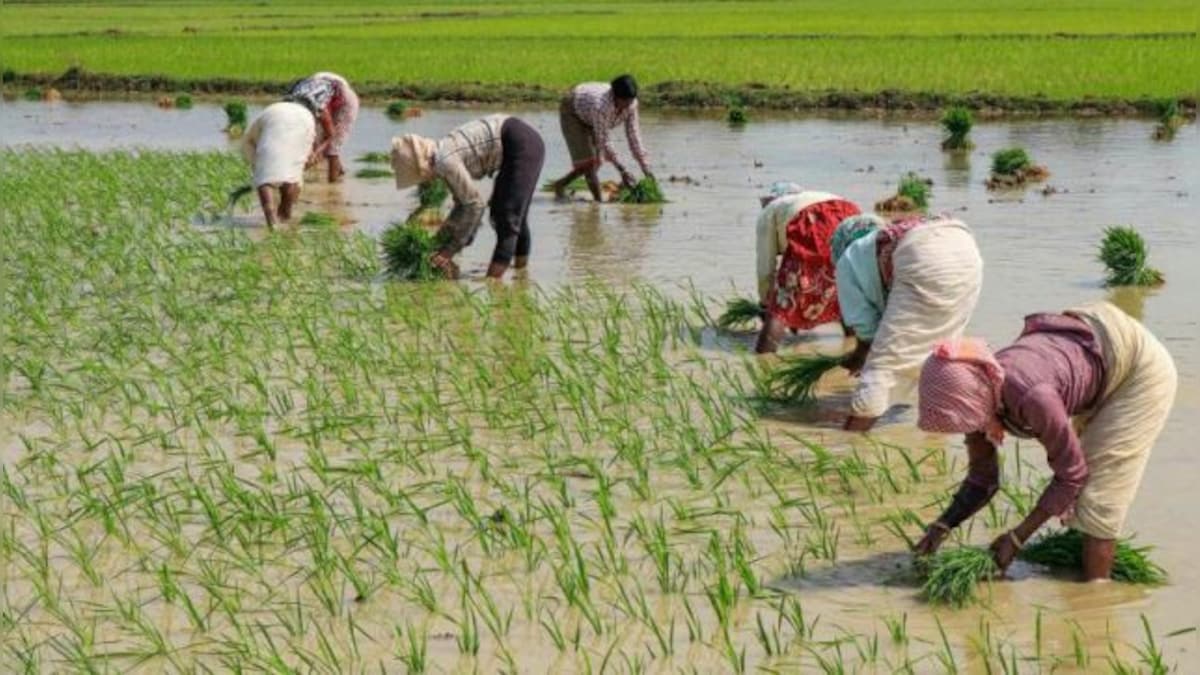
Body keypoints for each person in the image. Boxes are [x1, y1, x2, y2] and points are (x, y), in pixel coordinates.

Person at [913, 302, 1176, 580]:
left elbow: (1072, 475)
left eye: (966, 420)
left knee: (1099, 496)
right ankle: (1076, 569)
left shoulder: (1032, 397)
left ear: (975, 398)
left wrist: (1017, 538)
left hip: (1138, 368)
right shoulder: (979, 392)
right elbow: (983, 479)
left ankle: (1097, 600)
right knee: (1084, 493)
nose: (967, 429)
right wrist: (943, 525)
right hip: (1094, 339)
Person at [834, 214, 983, 430]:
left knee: (882, 365)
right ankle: (937, 438)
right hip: (965, 247)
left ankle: (851, 441)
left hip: (922, 252)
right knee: (940, 353)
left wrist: (858, 358)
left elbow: (866, 331)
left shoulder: (846, 260)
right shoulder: (876, 244)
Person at [390, 114, 545, 279]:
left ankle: (493, 282)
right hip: (518, 141)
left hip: (522, 144)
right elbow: (461, 206)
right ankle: (521, 275)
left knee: (507, 216)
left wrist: (449, 250)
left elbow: (475, 206)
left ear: (421, 166)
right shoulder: (441, 155)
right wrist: (440, 243)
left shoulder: (444, 162)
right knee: (509, 214)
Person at [754, 183, 865, 353]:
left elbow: (765, 267)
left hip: (813, 222)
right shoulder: (816, 196)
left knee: (780, 307)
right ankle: (856, 349)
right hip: (852, 218)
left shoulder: (770, 211)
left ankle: (763, 360)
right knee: (844, 292)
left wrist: (766, 303)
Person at [548, 74, 654, 202]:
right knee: (589, 163)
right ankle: (598, 204)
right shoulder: (601, 106)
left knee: (597, 161)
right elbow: (605, 141)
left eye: (630, 101)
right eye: (624, 101)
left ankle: (560, 184)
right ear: (615, 96)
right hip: (573, 112)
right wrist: (623, 170)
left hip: (590, 114)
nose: (628, 105)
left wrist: (647, 170)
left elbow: (634, 136)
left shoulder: (631, 104)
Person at [241, 101, 316, 229]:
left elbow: (250, 143)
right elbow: (309, 154)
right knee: (291, 176)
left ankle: (273, 220)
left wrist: (261, 172)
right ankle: (285, 215)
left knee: (265, 180)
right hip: (304, 121)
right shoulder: (307, 116)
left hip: (276, 119)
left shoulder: (252, 135)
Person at [284, 72, 359, 182]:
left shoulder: (319, 108)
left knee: (332, 148)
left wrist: (317, 151)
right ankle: (339, 170)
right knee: (317, 143)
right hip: (326, 89)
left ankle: (333, 185)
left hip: (345, 100)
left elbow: (331, 135)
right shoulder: (290, 107)